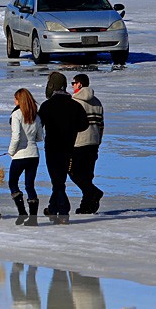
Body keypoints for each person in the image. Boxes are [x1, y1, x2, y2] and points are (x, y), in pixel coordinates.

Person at [37, 72, 88, 224]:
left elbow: (39, 125)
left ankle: (64, 211)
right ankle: (53, 209)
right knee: (60, 179)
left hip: (52, 147)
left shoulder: (47, 106)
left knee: (57, 181)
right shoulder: (75, 105)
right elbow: (83, 125)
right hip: (68, 147)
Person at [70, 74, 105, 214]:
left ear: (79, 85)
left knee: (73, 172)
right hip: (94, 142)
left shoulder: (75, 102)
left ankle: (93, 192)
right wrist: (98, 141)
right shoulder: (97, 102)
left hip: (79, 142)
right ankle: (86, 205)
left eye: (73, 83)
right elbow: (101, 125)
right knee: (88, 175)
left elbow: (71, 125)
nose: (72, 86)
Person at [7, 88, 43, 226]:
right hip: (34, 154)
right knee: (30, 185)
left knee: (13, 183)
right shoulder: (36, 115)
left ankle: (22, 212)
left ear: (19, 100)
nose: (14, 101)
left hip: (20, 155)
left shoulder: (16, 114)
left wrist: (10, 151)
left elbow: (15, 137)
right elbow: (40, 137)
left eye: (15, 99)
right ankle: (33, 219)